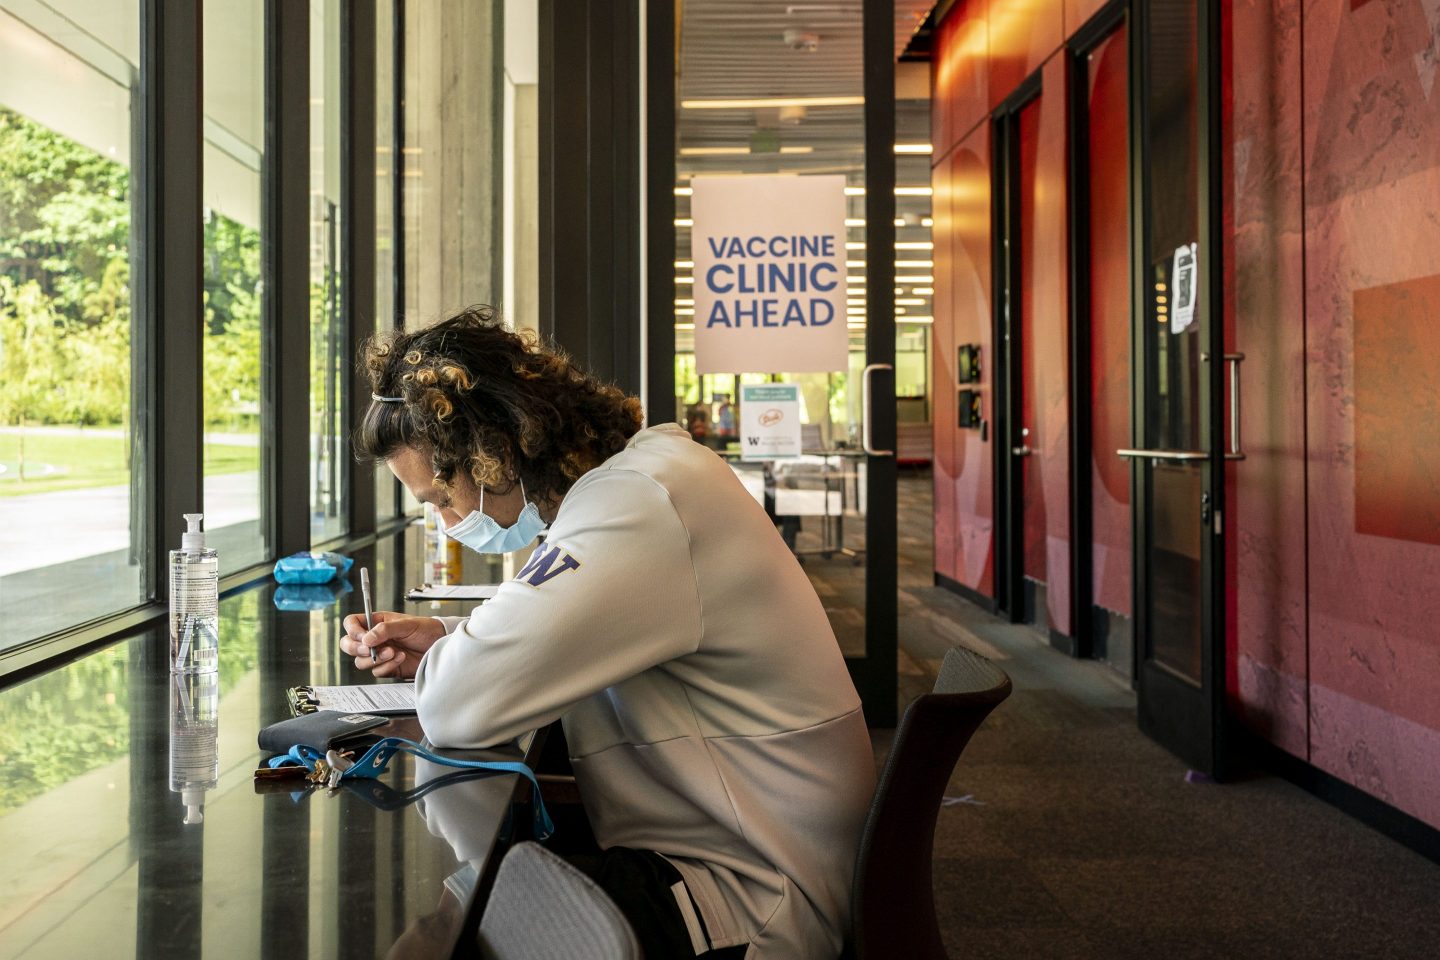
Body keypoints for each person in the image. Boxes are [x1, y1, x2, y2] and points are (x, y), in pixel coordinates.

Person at [339, 308, 875, 959]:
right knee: (460, 909)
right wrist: (450, 633)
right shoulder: (650, 475)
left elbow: (454, 708)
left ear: (494, 452)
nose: (449, 520)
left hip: (753, 892)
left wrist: (457, 656)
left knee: (438, 937)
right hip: (745, 842)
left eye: (441, 496)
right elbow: (578, 629)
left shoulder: (639, 505)